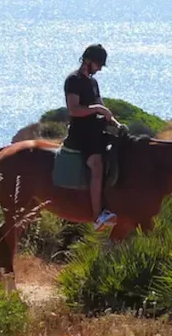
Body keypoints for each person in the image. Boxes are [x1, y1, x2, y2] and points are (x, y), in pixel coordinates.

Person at [64, 44, 120, 231]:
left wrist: (115, 123)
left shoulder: (93, 83)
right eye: (98, 64)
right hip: (80, 133)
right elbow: (74, 109)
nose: (100, 68)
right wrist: (97, 109)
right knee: (96, 165)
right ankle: (97, 216)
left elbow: (100, 105)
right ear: (88, 60)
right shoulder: (73, 80)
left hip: (95, 130)